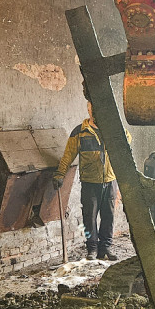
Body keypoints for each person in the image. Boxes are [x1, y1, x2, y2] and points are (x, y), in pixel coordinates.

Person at [53, 102, 121, 261]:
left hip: (110, 181)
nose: (95, 112)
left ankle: (106, 248)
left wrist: (114, 126)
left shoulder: (112, 130)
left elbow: (126, 143)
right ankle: (92, 249)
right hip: (90, 183)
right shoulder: (80, 132)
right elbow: (68, 156)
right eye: (92, 108)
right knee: (89, 217)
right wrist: (60, 174)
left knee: (109, 217)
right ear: (88, 109)